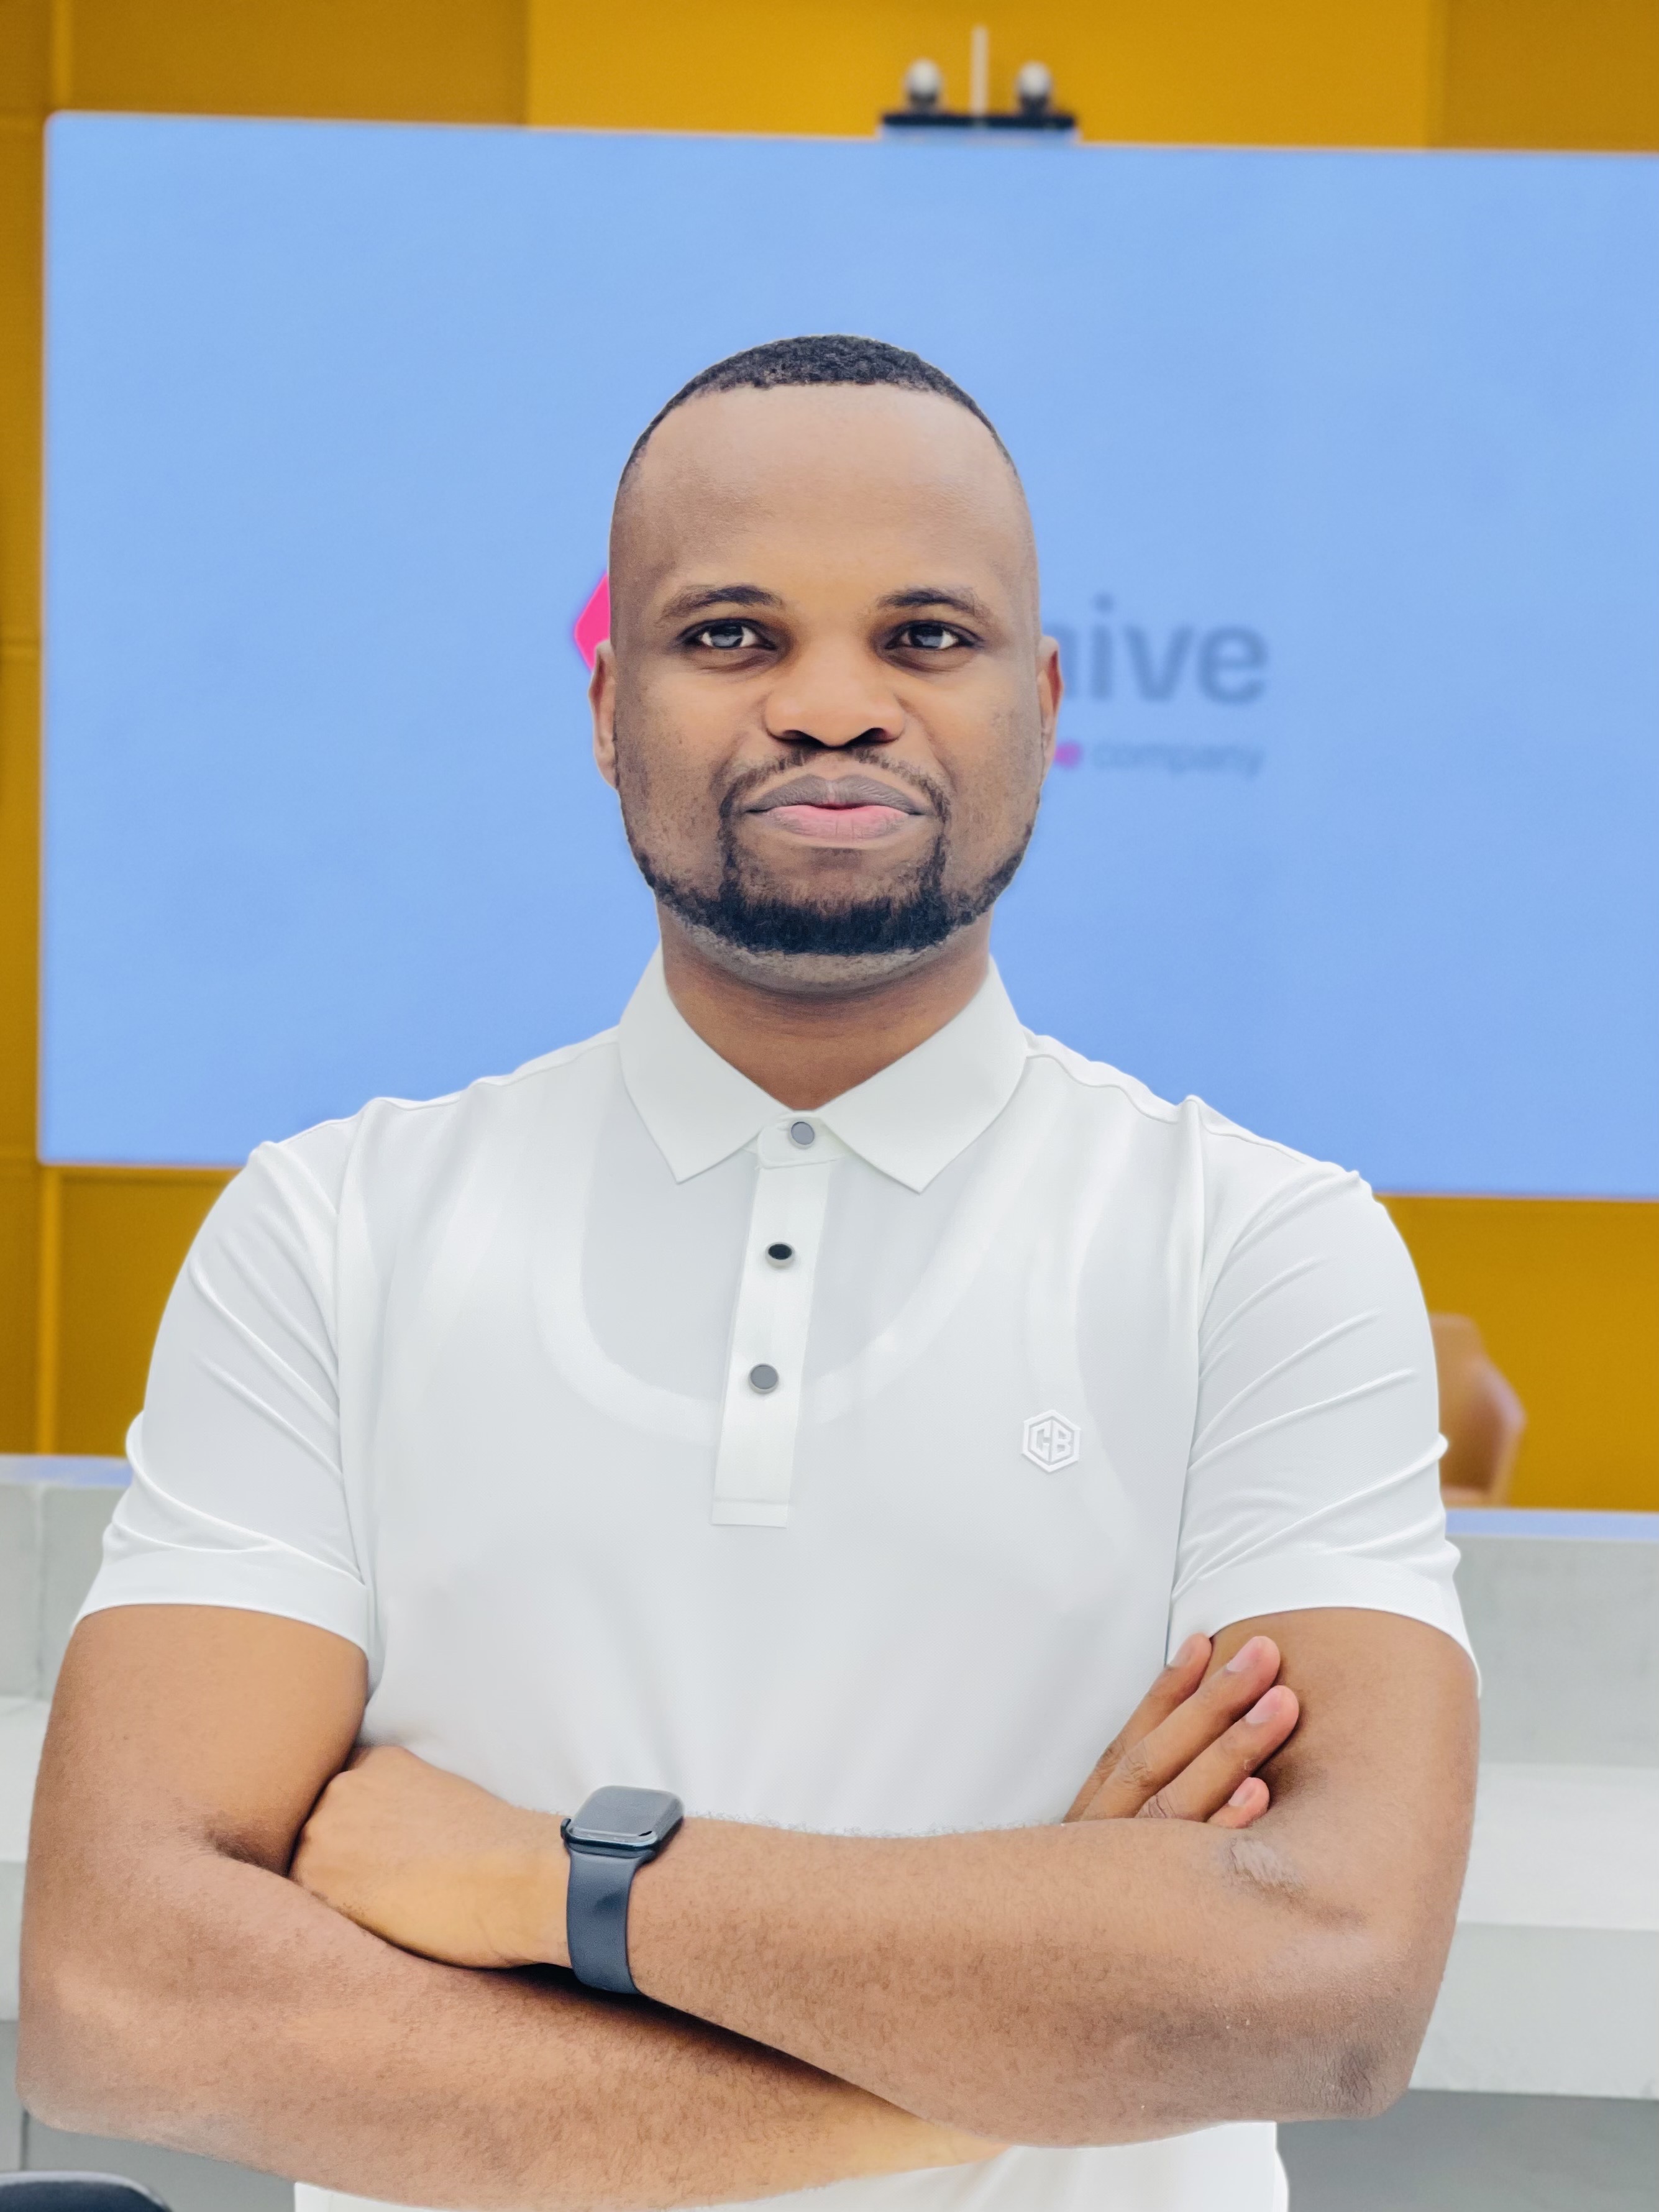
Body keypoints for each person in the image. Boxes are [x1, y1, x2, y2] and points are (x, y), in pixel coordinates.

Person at [21, 335, 1478, 2212]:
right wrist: (980, 2083)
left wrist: (554, 1879)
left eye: (926, 636)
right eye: (731, 635)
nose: (833, 706)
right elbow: (123, 1997)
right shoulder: (333, 1229)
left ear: (1043, 702)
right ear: (607, 705)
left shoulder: (1258, 1246)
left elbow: (1326, 1986)